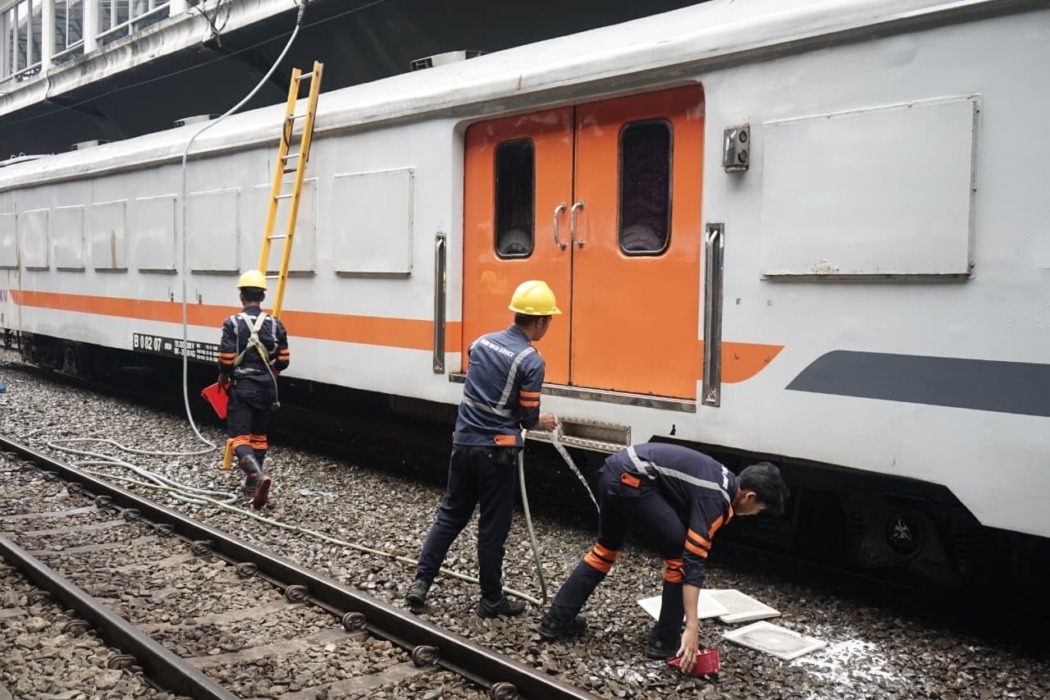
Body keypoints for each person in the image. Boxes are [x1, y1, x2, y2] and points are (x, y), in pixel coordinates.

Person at [537, 443, 789, 672]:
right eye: (759, 509)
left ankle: (556, 619)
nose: (755, 514)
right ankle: (665, 640)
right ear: (750, 497)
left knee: (606, 551)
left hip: (615, 471)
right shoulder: (716, 498)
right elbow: (693, 561)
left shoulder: (722, 479)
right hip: (632, 480)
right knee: (680, 559)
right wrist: (692, 626)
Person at [406, 280, 561, 618]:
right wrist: (542, 422)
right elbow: (527, 416)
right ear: (538, 322)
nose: (548, 325)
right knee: (492, 529)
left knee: (450, 516)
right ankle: (491, 599)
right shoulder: (531, 360)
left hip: (463, 444)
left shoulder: (482, 342)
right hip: (497, 453)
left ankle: (421, 583)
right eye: (549, 320)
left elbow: (479, 372)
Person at [217, 270, 290, 509]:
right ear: (262, 296)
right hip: (268, 388)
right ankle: (252, 485)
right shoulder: (275, 324)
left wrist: (224, 375)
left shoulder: (232, 323)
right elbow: (284, 359)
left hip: (243, 387)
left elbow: (227, 359)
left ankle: (257, 477)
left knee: (239, 438)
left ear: (241, 295)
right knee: (259, 437)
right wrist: (271, 370)